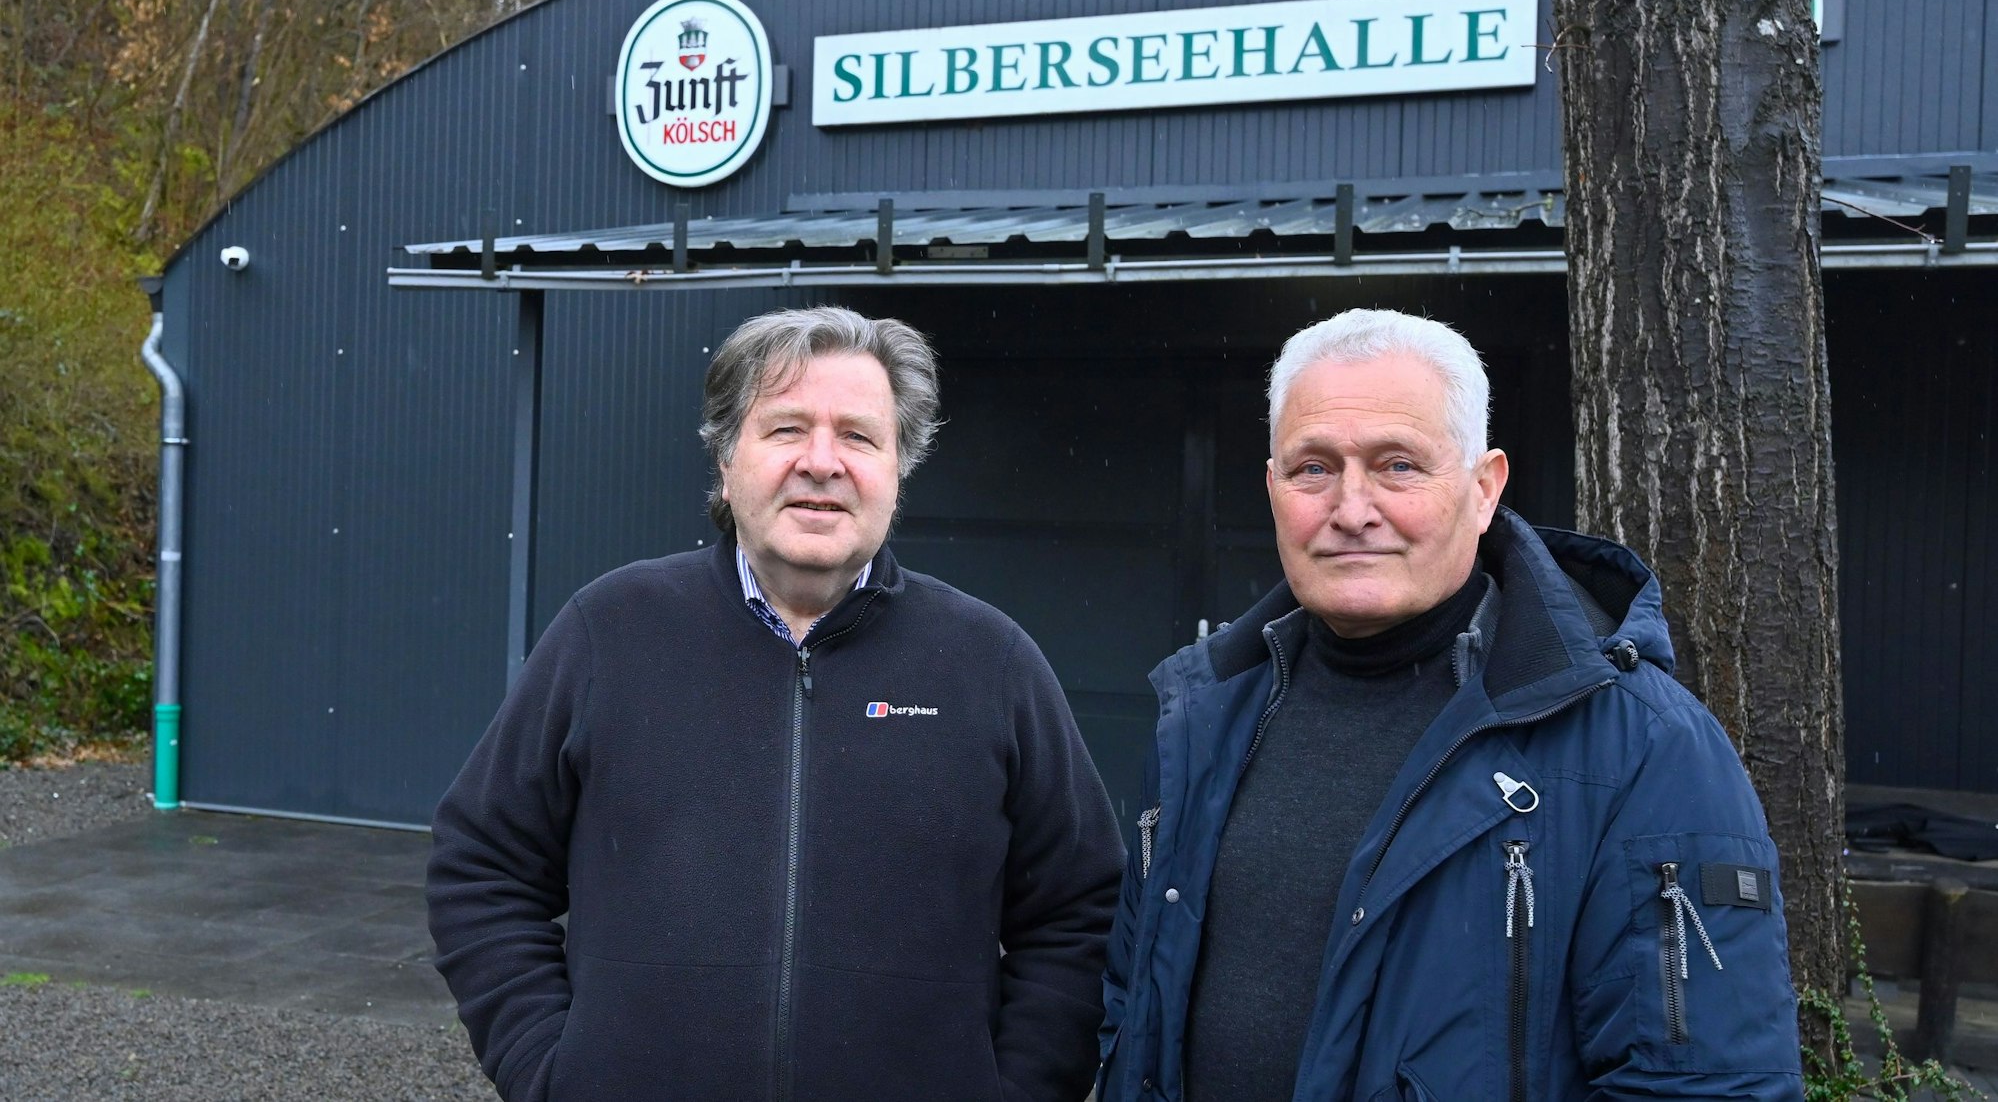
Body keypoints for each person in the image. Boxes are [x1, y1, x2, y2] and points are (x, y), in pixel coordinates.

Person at [1097, 309, 1804, 1101]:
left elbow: (1705, 1086)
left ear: (1482, 488)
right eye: (1313, 468)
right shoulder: (1201, 720)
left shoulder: (1641, 749)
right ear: (1272, 489)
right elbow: (1133, 1010)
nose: (1352, 508)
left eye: (1398, 465)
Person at [429, 306, 1123, 1102]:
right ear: (726, 461)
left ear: (900, 469)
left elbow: (1079, 911)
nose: (821, 463)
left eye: (859, 436)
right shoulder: (609, 632)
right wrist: (550, 1067)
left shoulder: (990, 662)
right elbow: (481, 866)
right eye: (786, 429)